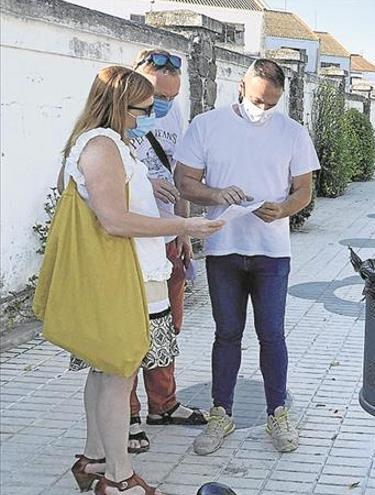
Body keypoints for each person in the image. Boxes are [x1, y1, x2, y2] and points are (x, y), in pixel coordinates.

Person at [56, 66, 223, 494]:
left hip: (125, 273)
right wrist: (186, 227)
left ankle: (95, 460)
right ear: (119, 106)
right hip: (124, 277)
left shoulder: (106, 144)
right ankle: (119, 479)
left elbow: (107, 197)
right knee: (119, 376)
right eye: (145, 109)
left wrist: (144, 183)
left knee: (104, 371)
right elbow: (113, 220)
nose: (150, 116)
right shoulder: (102, 146)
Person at [174, 59, 320, 455]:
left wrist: (285, 208)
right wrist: (216, 194)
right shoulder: (207, 125)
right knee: (227, 334)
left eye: (271, 103)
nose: (264, 108)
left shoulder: (292, 132)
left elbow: (304, 189)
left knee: (272, 334)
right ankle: (222, 412)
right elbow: (184, 182)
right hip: (223, 248)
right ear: (241, 86)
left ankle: (278, 413)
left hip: (272, 253)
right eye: (258, 100)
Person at [126, 49, 207, 454]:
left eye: (171, 98)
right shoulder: (115, 115)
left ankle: (163, 404)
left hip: (169, 239)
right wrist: (141, 183)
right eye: (158, 96)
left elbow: (179, 174)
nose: (163, 105)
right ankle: (127, 417)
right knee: (128, 332)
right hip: (130, 245)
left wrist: (184, 231)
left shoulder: (174, 114)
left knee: (167, 328)